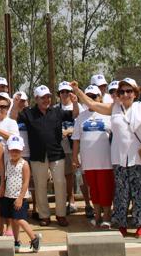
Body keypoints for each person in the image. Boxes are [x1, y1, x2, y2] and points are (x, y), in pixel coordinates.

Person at [72, 78, 141, 238]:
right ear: (118, 94)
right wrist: (78, 91)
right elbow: (92, 104)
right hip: (119, 159)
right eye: (122, 91)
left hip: (138, 158)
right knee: (121, 193)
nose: (125, 94)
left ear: (135, 93)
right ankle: (121, 223)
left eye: (129, 91)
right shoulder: (114, 108)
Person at [10, 85, 77, 227]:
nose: (46, 100)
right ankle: (44, 215)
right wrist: (15, 105)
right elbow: (13, 118)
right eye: (43, 97)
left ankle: (60, 215)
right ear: (36, 99)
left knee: (60, 183)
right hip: (37, 155)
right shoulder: (28, 113)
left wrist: (75, 102)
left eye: (48, 97)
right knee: (40, 185)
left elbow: (75, 114)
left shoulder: (57, 111)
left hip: (57, 153)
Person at [71, 85, 114, 229]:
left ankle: (107, 216)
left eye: (93, 96)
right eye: (87, 95)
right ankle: (97, 216)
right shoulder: (80, 117)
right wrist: (75, 157)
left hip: (105, 161)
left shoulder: (108, 114)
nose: (90, 99)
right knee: (94, 190)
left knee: (105, 189)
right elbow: (76, 139)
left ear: (100, 97)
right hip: (88, 162)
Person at [1, 135, 41, 253]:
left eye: (17, 150)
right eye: (12, 150)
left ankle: (34, 238)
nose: (14, 152)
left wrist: (20, 198)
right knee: (13, 220)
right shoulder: (8, 162)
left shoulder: (24, 164)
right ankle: (16, 241)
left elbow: (26, 182)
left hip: (19, 197)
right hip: (9, 196)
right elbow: (7, 178)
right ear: (8, 150)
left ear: (22, 149)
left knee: (19, 219)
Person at [55, 81, 87, 216]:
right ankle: (71, 201)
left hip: (79, 145)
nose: (64, 94)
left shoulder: (79, 106)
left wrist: (69, 131)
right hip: (64, 146)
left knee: (82, 176)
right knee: (68, 175)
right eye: (62, 92)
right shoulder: (55, 108)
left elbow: (80, 122)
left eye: (67, 91)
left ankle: (88, 203)